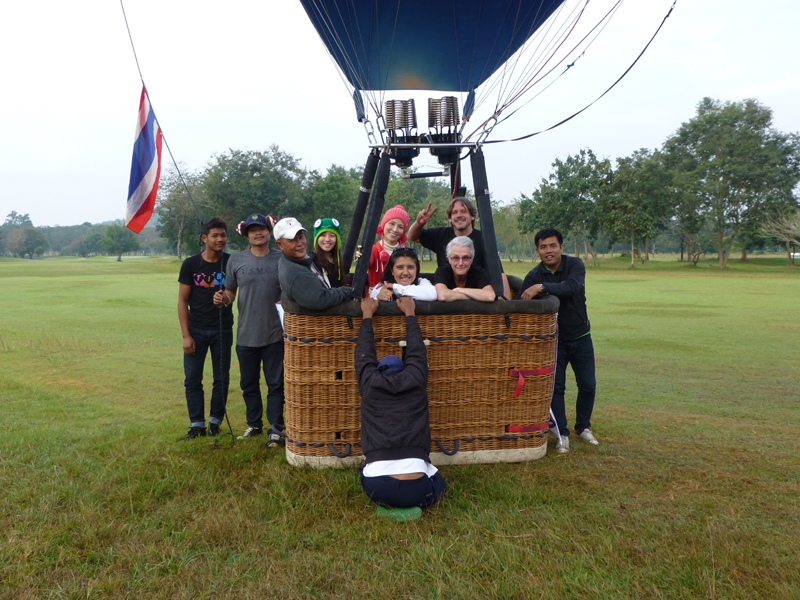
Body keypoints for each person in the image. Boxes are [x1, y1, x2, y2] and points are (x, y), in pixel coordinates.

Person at [356, 296, 446, 508]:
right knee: (440, 486)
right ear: (404, 369)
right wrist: (410, 313)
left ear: (378, 371)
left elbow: (363, 353)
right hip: (419, 487)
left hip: (378, 487)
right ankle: (421, 499)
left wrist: (367, 315)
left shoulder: (369, 382)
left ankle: (388, 500)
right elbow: (417, 352)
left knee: (364, 473)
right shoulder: (416, 379)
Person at [519, 228, 598, 454]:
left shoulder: (575, 266)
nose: (548, 251)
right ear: (537, 251)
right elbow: (520, 302)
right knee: (557, 389)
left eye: (553, 245)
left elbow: (571, 287)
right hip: (554, 341)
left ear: (561, 247)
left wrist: (542, 288)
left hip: (581, 336)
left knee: (588, 385)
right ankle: (562, 434)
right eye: (543, 247)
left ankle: (583, 427)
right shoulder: (533, 276)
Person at [223, 213, 286, 447]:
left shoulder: (283, 258)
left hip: (275, 333)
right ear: (246, 234)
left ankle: (276, 428)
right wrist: (224, 298)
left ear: (270, 232)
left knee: (276, 384)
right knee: (248, 383)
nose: (258, 233)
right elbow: (230, 291)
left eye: (262, 229)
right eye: (252, 230)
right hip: (246, 334)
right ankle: (254, 424)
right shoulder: (236, 260)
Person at [177, 218, 233, 441]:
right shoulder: (191, 265)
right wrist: (186, 335)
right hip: (196, 330)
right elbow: (182, 301)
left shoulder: (230, 263)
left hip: (222, 329)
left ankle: (215, 422)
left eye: (223, 235)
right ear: (204, 239)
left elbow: (232, 294)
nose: (220, 239)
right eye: (214, 235)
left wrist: (225, 298)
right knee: (192, 379)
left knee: (221, 378)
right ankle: (196, 425)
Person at [408, 197, 511, 298]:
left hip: (477, 299)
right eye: (455, 212)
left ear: (472, 216)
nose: (459, 215)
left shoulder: (484, 241)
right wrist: (419, 224)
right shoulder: (440, 235)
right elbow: (412, 237)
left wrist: (506, 306)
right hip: (447, 297)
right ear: (450, 218)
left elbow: (499, 273)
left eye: (463, 211)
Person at [274, 217, 354, 310]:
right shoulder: (296, 271)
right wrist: (348, 291)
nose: (300, 243)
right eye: (292, 240)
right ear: (280, 244)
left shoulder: (295, 261)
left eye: (301, 237)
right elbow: (319, 300)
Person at [433, 237, 496, 302]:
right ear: (449, 259)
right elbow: (442, 295)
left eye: (465, 258)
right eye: (455, 258)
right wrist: (474, 296)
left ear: (472, 259)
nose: (460, 263)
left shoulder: (478, 272)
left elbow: (490, 296)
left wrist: (459, 290)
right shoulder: (442, 271)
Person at [369, 247, 436, 302]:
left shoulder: (422, 282)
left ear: (417, 269)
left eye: (410, 267)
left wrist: (395, 287)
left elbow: (432, 295)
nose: (405, 272)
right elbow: (369, 306)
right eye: (400, 267)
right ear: (392, 271)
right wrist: (377, 298)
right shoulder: (382, 287)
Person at [368, 205, 410, 289]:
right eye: (392, 223)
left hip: (401, 299)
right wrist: (362, 255)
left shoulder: (407, 251)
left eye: (400, 227)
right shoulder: (373, 250)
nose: (395, 230)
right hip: (376, 299)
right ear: (383, 225)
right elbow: (366, 262)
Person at [312, 217, 347, 288]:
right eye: (323, 235)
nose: (327, 239)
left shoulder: (339, 261)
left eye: (332, 236)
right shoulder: (312, 261)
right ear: (316, 238)